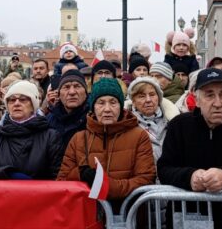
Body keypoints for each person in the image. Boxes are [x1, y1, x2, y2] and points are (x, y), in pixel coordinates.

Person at [57, 78, 156, 210]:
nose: (107, 109)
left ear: (121, 106)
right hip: (87, 218)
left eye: (113, 102)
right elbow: (61, 183)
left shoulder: (139, 136)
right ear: (93, 107)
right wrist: (80, 173)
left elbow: (145, 180)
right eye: (101, 103)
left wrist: (105, 186)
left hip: (128, 218)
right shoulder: (78, 139)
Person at [126, 77, 179, 162]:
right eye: (141, 96)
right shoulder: (126, 126)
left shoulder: (173, 122)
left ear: (158, 98)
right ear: (133, 102)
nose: (148, 100)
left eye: (152, 94)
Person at [47, 70, 89, 148]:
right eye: (66, 87)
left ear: (86, 93)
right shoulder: (49, 120)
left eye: (77, 86)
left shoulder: (94, 119)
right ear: (59, 94)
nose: (72, 92)